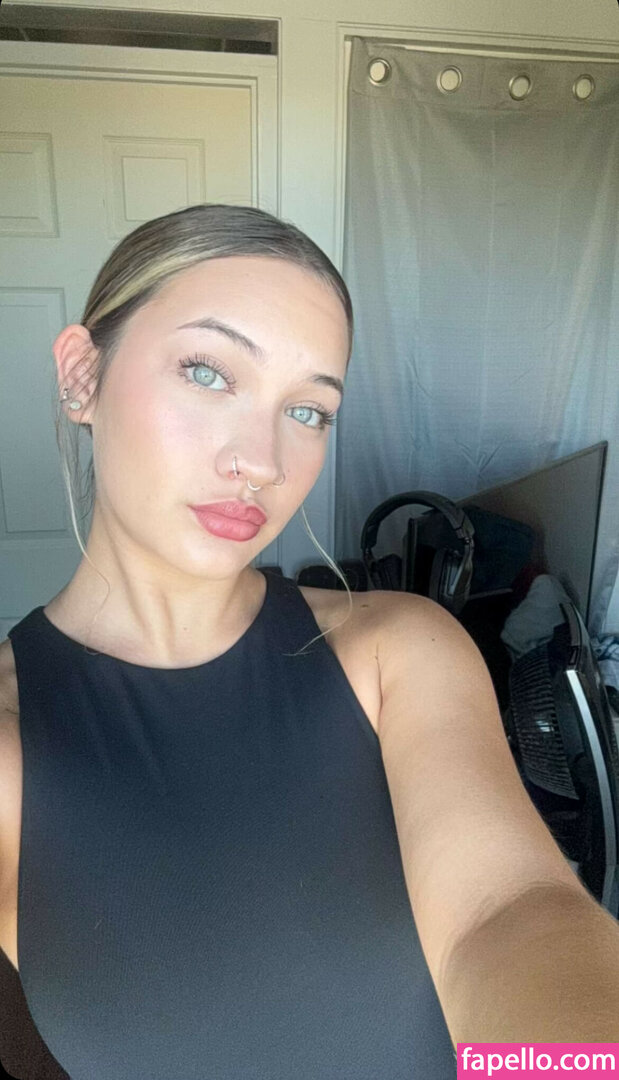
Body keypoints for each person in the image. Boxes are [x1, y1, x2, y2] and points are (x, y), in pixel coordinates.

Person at [0, 204, 618, 1080]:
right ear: (81, 375)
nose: (262, 460)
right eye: (207, 372)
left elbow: (507, 912)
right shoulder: (14, 748)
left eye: (308, 410)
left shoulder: (398, 652)